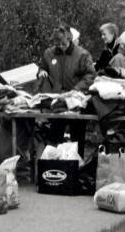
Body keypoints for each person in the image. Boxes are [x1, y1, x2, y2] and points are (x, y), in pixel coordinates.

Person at [36, 24, 96, 155]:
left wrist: (76, 89)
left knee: (77, 136)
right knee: (55, 135)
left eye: (64, 43)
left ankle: (77, 164)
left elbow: (90, 75)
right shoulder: (49, 53)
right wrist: (41, 72)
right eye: (58, 44)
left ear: (70, 39)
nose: (61, 47)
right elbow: (43, 67)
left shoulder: (83, 54)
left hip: (76, 101)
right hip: (56, 100)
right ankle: (55, 165)